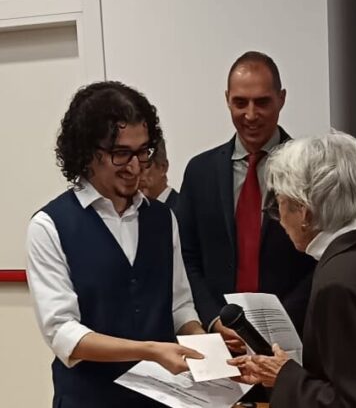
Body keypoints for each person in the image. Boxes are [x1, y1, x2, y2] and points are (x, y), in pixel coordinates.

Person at [26, 81, 204, 408]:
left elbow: (180, 306)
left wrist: (205, 347)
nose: (135, 167)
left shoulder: (163, 219)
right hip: (88, 399)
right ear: (87, 152)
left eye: (143, 152)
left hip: (161, 400)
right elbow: (64, 334)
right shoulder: (50, 226)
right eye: (121, 154)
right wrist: (149, 350)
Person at [229, 132, 356, 408]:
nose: (279, 219)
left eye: (280, 205)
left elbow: (355, 403)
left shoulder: (339, 282)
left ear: (304, 212)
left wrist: (284, 376)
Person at [178, 51, 316, 349]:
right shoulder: (200, 172)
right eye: (240, 103)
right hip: (220, 339)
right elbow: (187, 256)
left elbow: (322, 256)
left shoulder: (311, 168)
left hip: (293, 339)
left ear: (281, 99)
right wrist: (214, 318)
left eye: (262, 102)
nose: (251, 115)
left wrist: (277, 324)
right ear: (227, 99)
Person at [139, 137, 179, 212]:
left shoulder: (183, 210)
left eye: (145, 166)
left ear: (163, 167)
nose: (136, 172)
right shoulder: (133, 211)